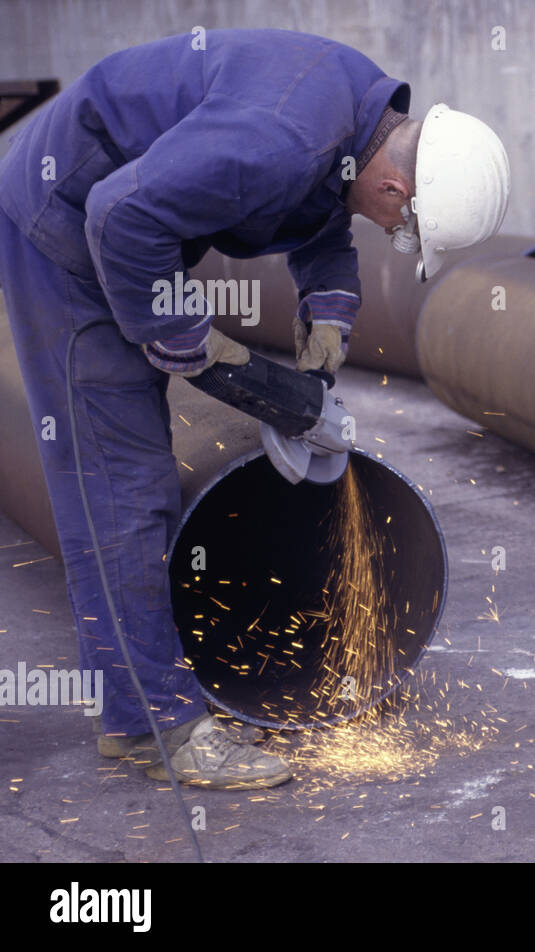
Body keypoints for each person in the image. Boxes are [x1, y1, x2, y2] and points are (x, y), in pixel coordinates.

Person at [0, 29, 509, 789]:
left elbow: (320, 209)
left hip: (116, 213)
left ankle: (143, 706)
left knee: (137, 461)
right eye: (399, 226)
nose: (390, 231)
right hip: (64, 221)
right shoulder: (279, 137)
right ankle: (152, 727)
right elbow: (117, 216)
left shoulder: (358, 118)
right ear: (399, 190)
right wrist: (186, 339)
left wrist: (330, 303)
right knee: (121, 478)